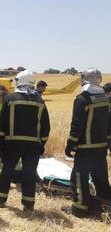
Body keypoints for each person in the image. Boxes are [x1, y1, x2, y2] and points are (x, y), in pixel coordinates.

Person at [0, 70, 50, 211]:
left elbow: (3, 123)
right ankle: (28, 204)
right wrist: (42, 143)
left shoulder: (10, 98)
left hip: (12, 143)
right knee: (29, 173)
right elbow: (46, 125)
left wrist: (1, 141)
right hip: (33, 144)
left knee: (6, 171)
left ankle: (0, 199)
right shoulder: (40, 101)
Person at [62, 68, 111, 218]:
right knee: (100, 176)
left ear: (86, 79)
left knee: (79, 177)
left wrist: (71, 143)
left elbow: (77, 124)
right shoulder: (105, 99)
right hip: (101, 146)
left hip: (85, 147)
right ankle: (104, 203)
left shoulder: (82, 99)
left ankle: (80, 209)